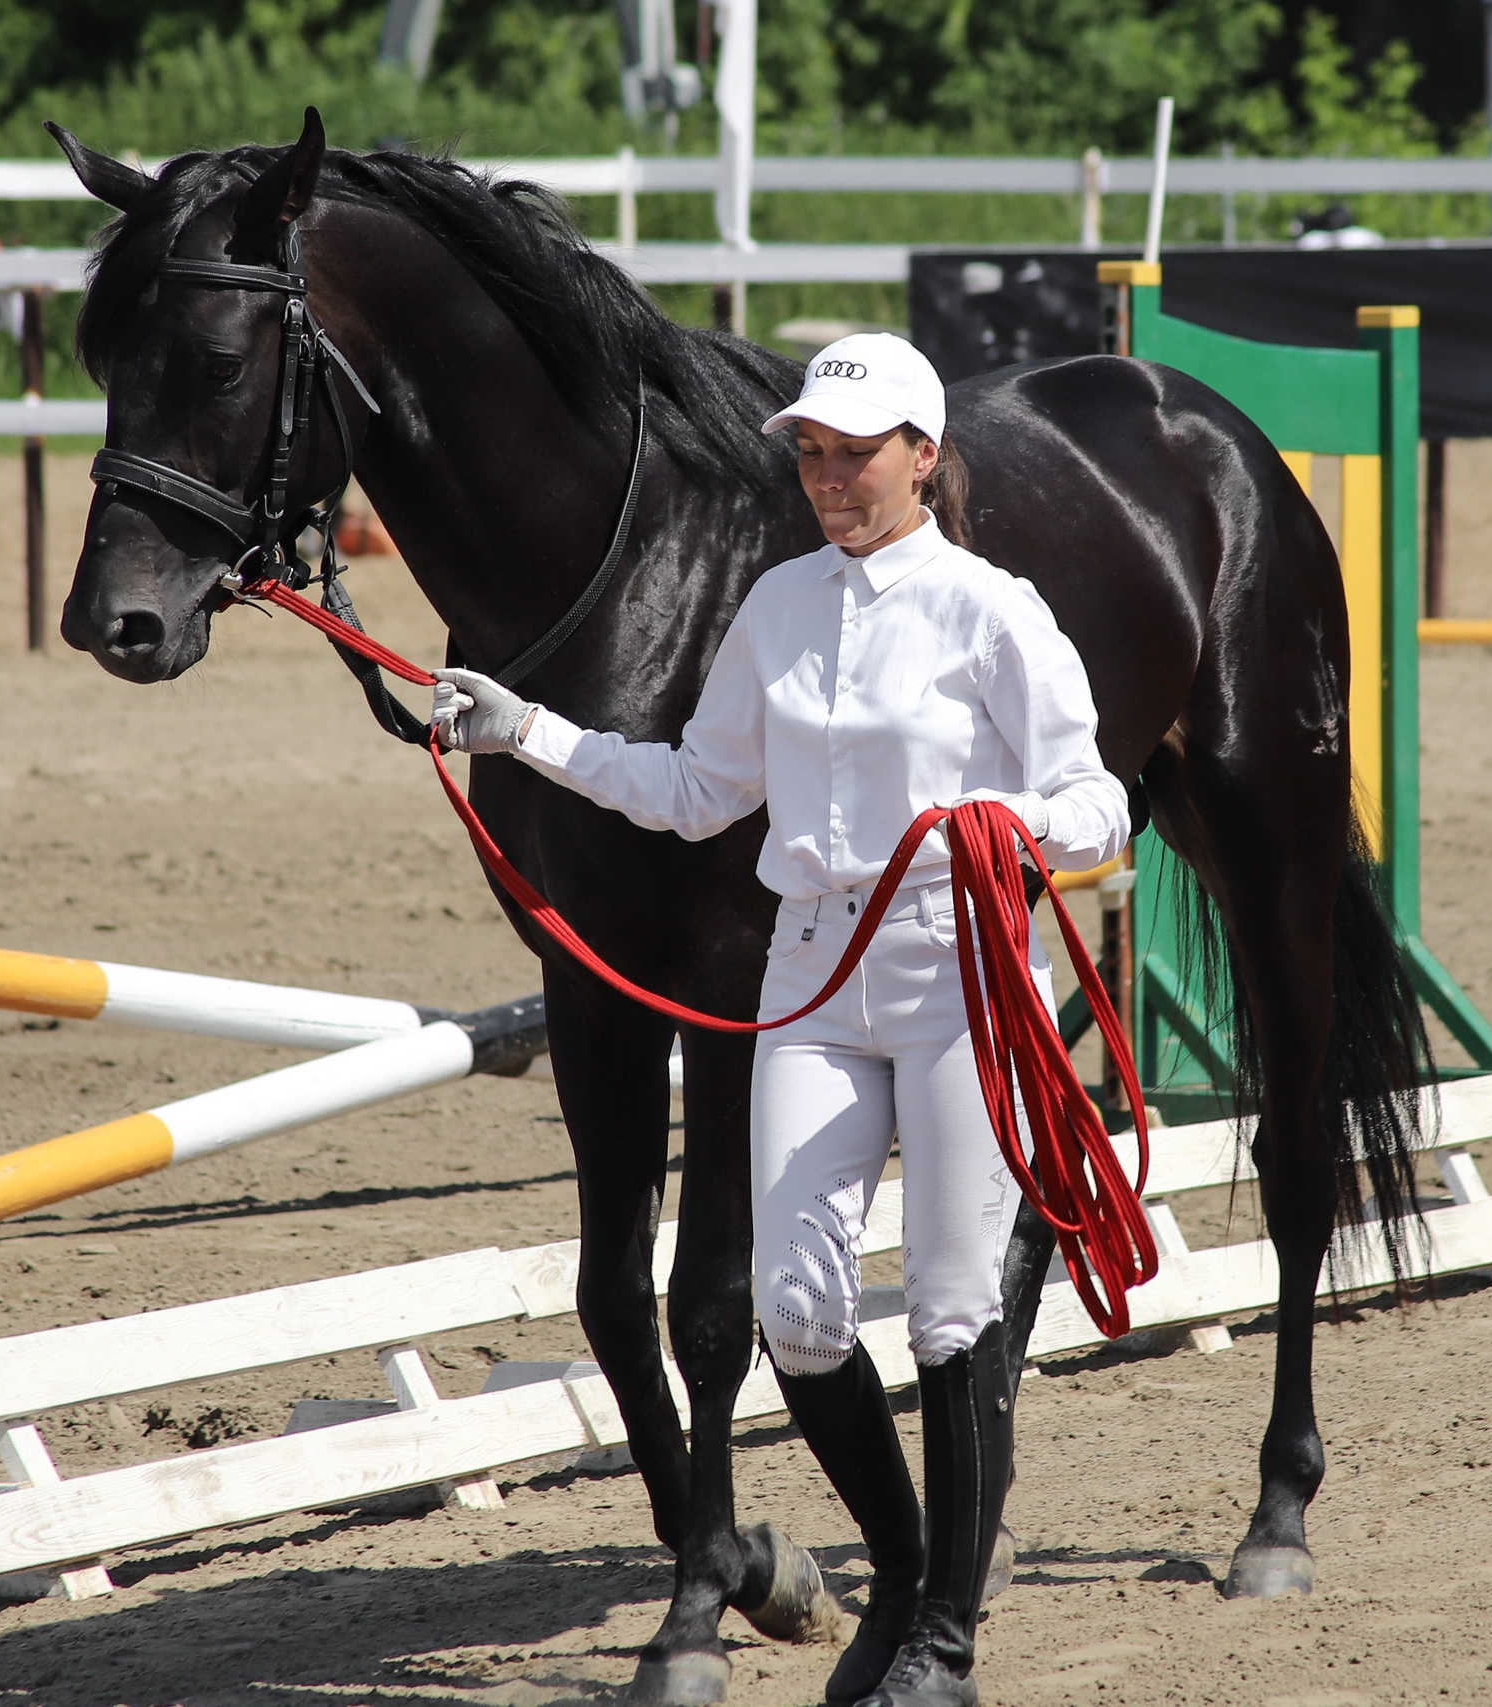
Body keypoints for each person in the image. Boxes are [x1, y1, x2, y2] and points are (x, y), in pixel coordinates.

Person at [432, 333, 1128, 1707]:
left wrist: (1018, 823)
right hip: (810, 972)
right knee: (799, 1313)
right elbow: (695, 789)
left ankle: (941, 1642)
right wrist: (527, 733)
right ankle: (912, 1566)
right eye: (811, 455)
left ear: (923, 457)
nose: (828, 479)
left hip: (956, 970)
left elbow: (1102, 805)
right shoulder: (777, 608)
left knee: (946, 1307)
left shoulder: (995, 612)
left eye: (856, 456)